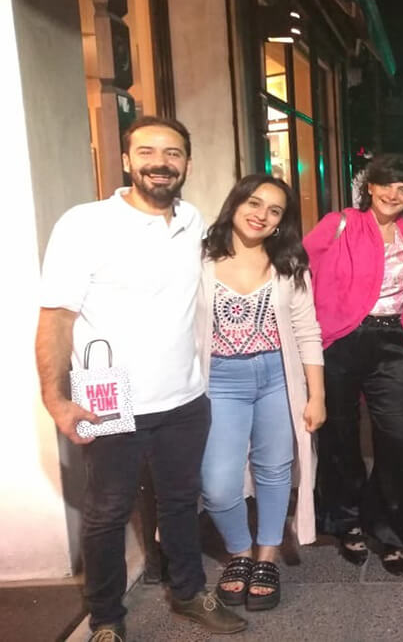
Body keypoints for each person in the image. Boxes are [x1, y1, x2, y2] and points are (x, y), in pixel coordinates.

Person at [35, 116, 246, 640]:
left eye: (173, 153)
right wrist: (56, 400)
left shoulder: (193, 221)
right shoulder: (85, 224)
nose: (160, 162)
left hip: (185, 399)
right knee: (107, 512)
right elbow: (56, 318)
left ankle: (189, 593)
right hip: (112, 400)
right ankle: (106, 619)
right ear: (127, 160)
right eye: (147, 151)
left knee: (180, 503)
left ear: (187, 163)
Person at [196, 174, 325, 611]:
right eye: (254, 203)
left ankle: (266, 555)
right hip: (219, 381)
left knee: (275, 468)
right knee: (217, 484)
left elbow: (307, 332)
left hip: (277, 377)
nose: (261, 215)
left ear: (281, 222)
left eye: (274, 211)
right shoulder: (199, 259)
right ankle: (239, 551)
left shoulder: (289, 264)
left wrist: (317, 395)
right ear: (235, 203)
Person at [303, 157, 403, 574]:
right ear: (370, 187)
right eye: (386, 185)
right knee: (339, 434)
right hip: (339, 339)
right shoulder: (339, 223)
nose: (394, 194)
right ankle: (347, 520)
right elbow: (298, 266)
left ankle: (391, 525)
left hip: (391, 340)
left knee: (396, 437)